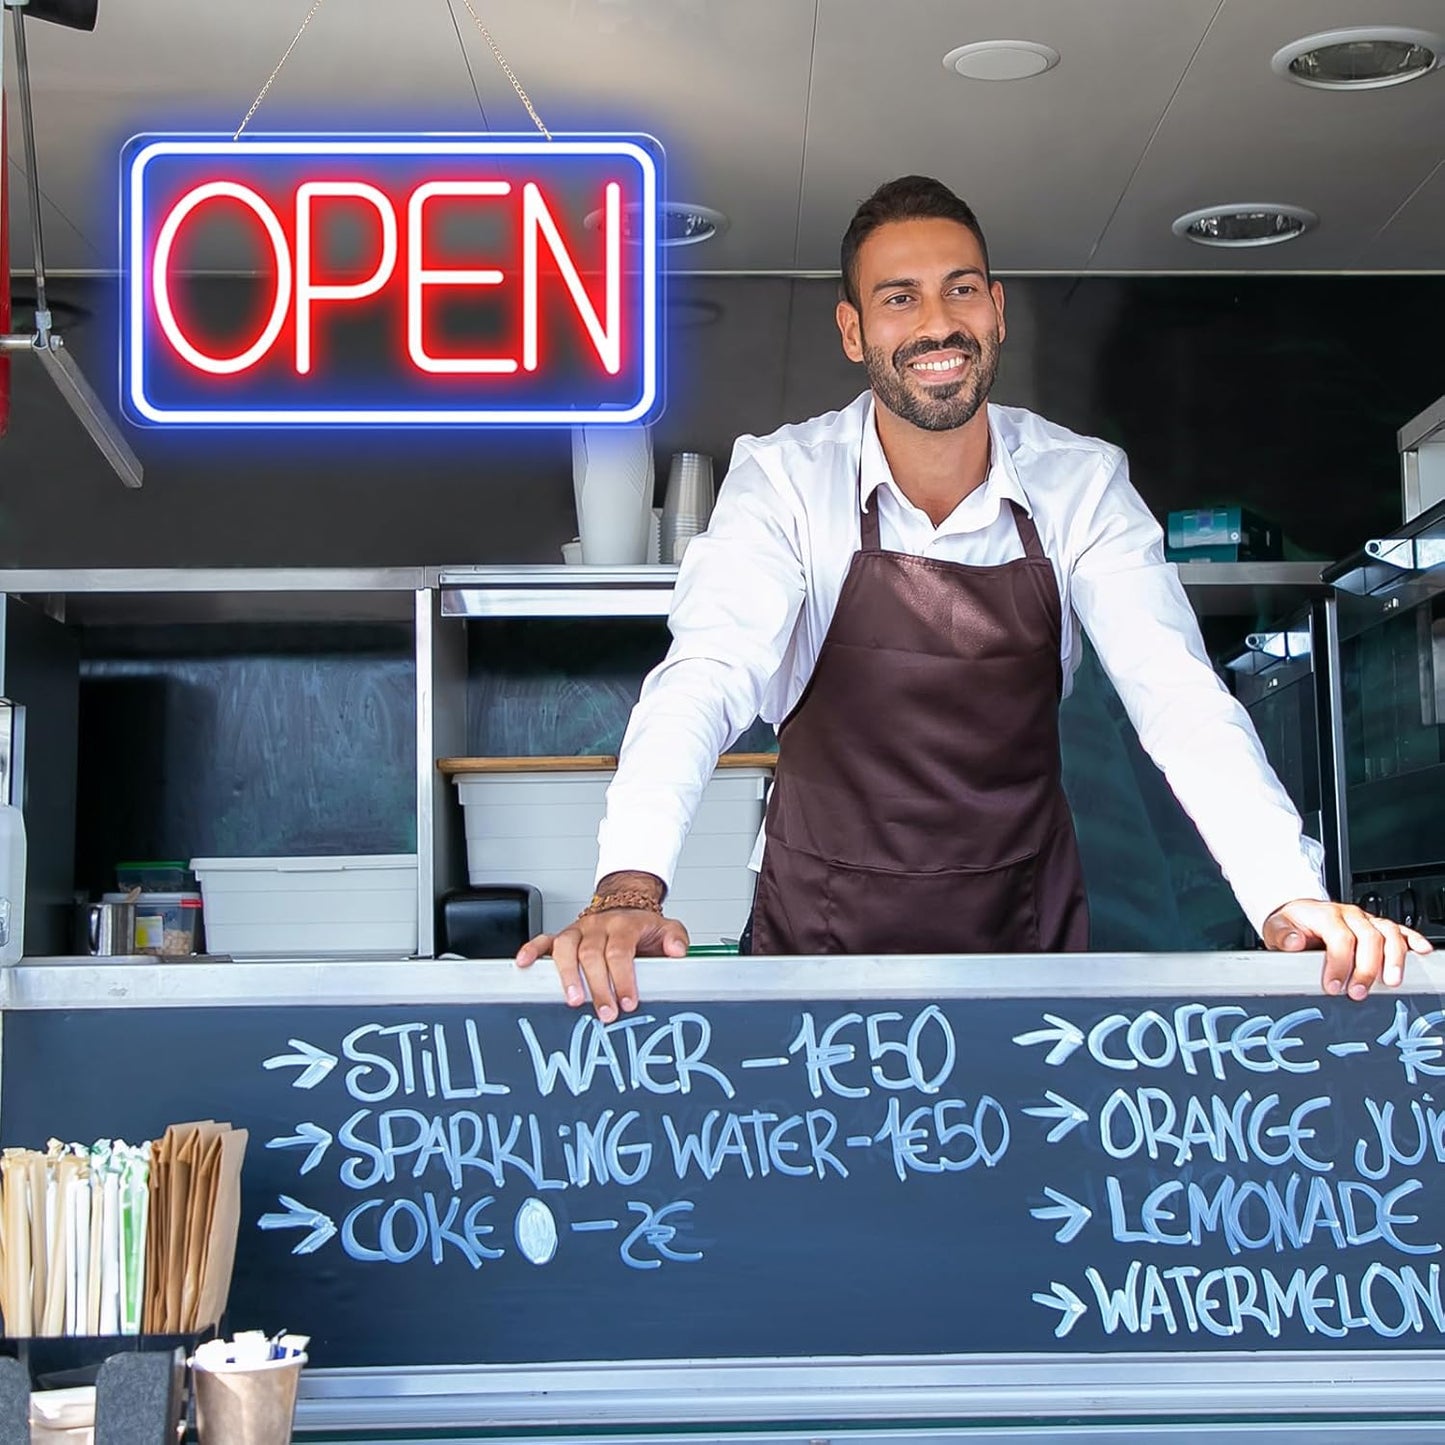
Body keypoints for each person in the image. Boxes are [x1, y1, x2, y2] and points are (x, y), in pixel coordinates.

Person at [517, 175, 1433, 1018]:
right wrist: (629, 887)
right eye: (898, 297)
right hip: (819, 949)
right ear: (852, 331)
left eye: (960, 289)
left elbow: (1179, 697)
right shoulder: (784, 482)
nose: (936, 323)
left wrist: (1286, 894)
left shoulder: (1079, 485)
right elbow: (703, 678)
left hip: (1025, 950)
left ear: (996, 312)